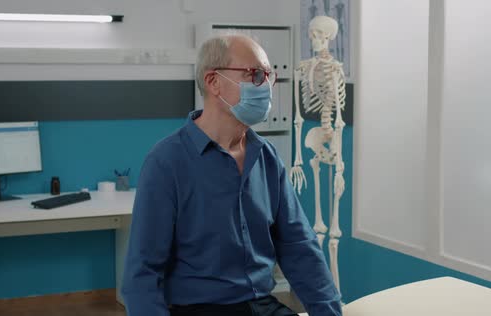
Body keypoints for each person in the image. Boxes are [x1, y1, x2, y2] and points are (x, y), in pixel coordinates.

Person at [121, 34, 342, 316]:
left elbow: (299, 247)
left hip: (261, 305)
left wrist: (329, 312)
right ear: (213, 82)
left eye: (268, 76)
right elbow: (142, 275)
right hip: (199, 308)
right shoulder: (166, 163)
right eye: (255, 75)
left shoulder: (267, 157)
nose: (266, 87)